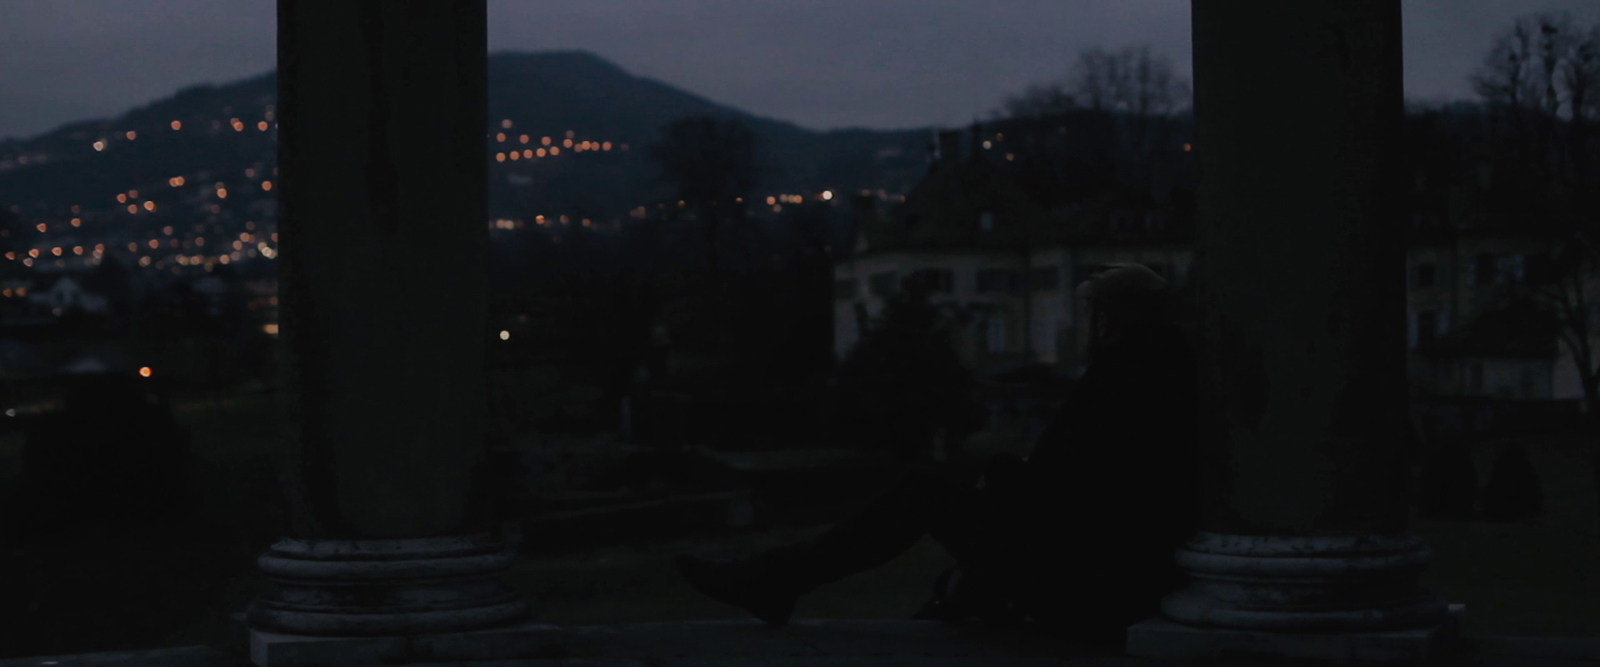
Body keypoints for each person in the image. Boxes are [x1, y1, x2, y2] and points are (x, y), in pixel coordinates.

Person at [675, 263, 1200, 641]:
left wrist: (1002, 477)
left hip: (1082, 580)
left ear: (1106, 320)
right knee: (934, 507)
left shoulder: (1125, 380)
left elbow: (1076, 493)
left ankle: (771, 581)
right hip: (1094, 568)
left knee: (923, 492)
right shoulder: (1153, 373)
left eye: (1091, 313)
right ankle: (776, 581)